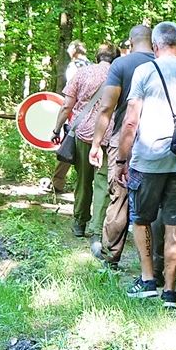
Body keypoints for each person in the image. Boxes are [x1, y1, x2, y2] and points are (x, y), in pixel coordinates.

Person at [116, 22, 176, 308]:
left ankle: (148, 280)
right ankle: (170, 292)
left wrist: (122, 159)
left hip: (147, 159)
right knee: (174, 224)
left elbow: (131, 120)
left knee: (141, 219)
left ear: (156, 46)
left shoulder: (144, 71)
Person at [89, 25, 157, 270]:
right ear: (153, 41)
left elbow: (106, 108)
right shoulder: (165, 63)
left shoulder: (121, 65)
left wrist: (96, 143)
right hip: (158, 140)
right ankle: (156, 268)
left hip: (124, 138)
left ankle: (111, 256)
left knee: (119, 198)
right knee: (157, 202)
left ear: (130, 41)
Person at [51, 43, 114, 237]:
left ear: (97, 56)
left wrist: (57, 129)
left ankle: (80, 223)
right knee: (103, 183)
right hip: (110, 136)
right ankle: (97, 227)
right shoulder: (120, 74)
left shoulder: (82, 73)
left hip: (84, 134)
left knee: (83, 181)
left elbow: (66, 106)